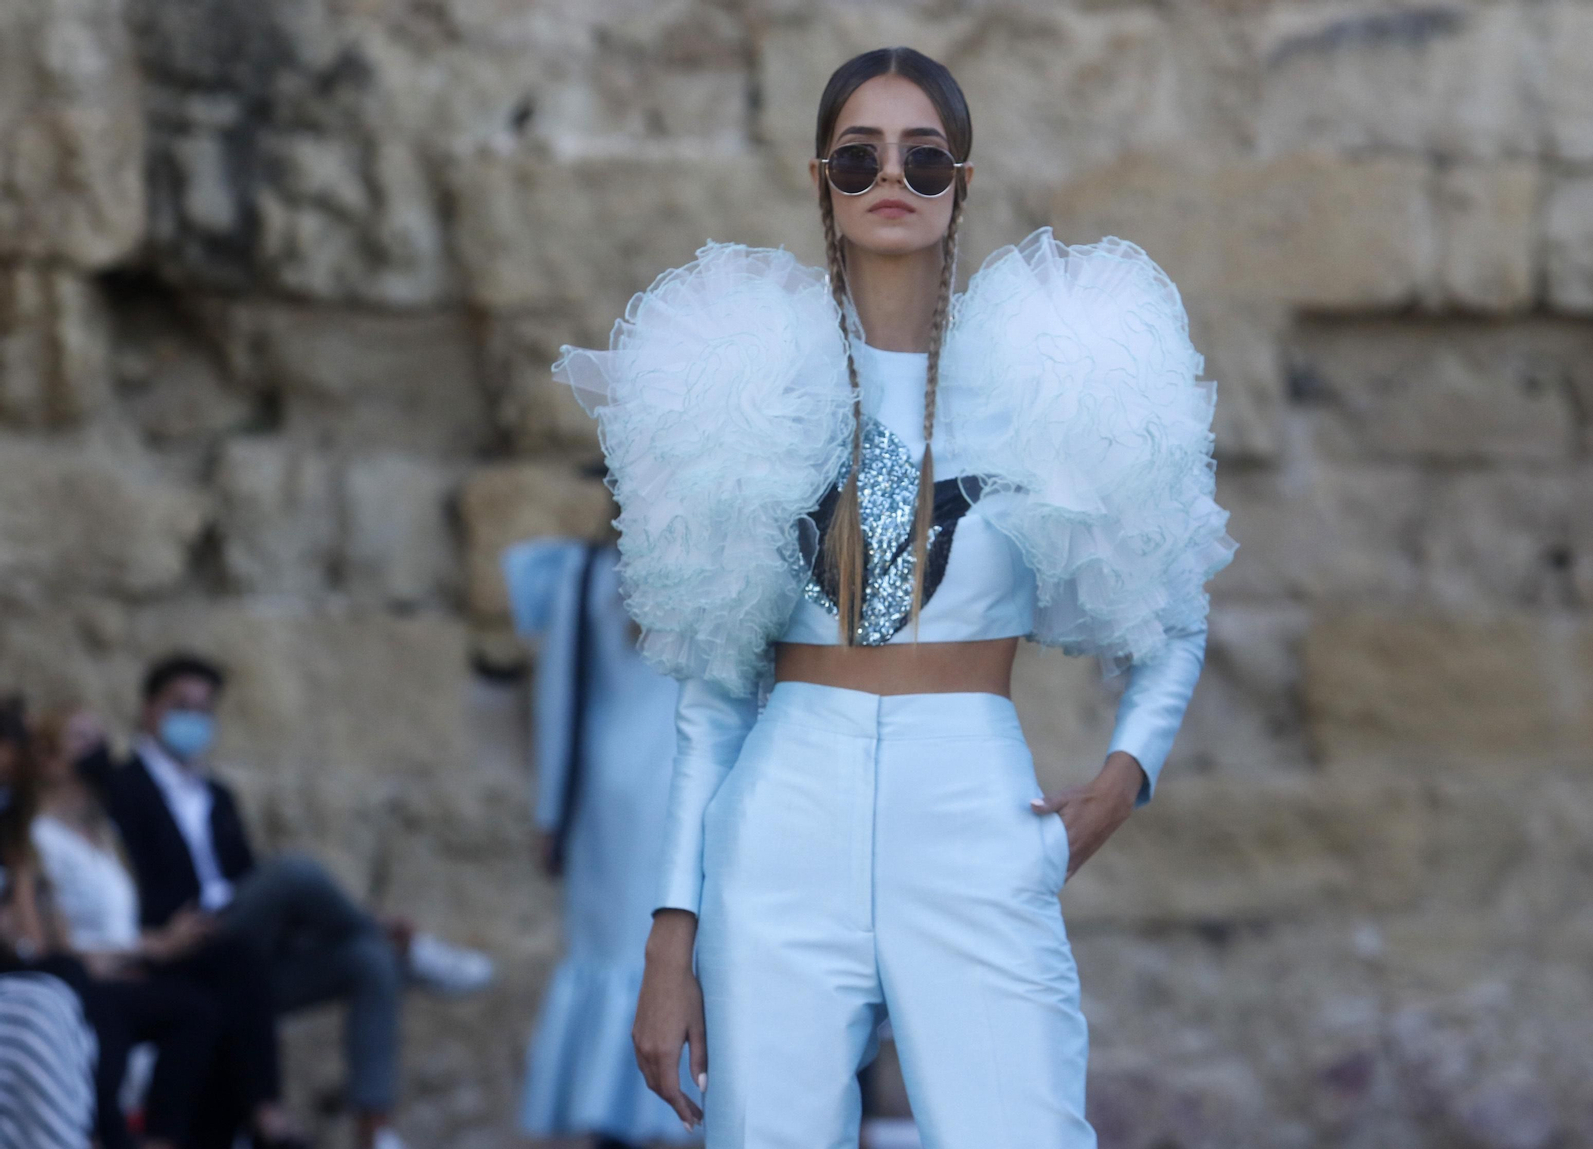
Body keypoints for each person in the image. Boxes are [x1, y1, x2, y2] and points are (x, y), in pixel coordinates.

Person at [554, 47, 1237, 1148]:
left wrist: (1122, 781)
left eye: (925, 159)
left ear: (963, 180)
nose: (893, 179)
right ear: (819, 175)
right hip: (783, 812)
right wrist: (668, 940)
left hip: (970, 804)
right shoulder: (743, 386)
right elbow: (713, 697)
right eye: (859, 155)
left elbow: (1174, 612)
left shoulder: (1053, 373)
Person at [76, 654, 496, 1149]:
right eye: (181, 705)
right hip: (184, 940)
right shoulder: (125, 789)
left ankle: (375, 1127)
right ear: (149, 711)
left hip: (242, 949)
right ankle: (402, 942)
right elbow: (133, 886)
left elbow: (245, 879)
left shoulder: (218, 795)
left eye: (204, 710)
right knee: (295, 873)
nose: (194, 719)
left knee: (367, 961)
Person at [503, 496, 699, 1148]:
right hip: (681, 781)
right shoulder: (712, 566)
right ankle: (673, 1114)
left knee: (617, 954)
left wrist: (550, 810)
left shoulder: (586, 572)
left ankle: (620, 1111)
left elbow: (558, 699)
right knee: (664, 954)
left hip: (610, 799)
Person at [28, 706, 308, 1149]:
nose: (96, 750)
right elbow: (56, 947)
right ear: (46, 757)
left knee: (228, 974)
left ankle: (246, 1120)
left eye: (99, 736)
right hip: (96, 976)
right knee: (197, 1004)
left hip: (134, 960)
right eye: (79, 738)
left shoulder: (104, 833)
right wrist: (152, 948)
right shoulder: (38, 839)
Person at [0, 695, 97, 1149]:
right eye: (19, 741)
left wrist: (21, 874)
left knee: (58, 991)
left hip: (17, 970)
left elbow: (32, 941)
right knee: (47, 1003)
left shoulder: (16, 829)